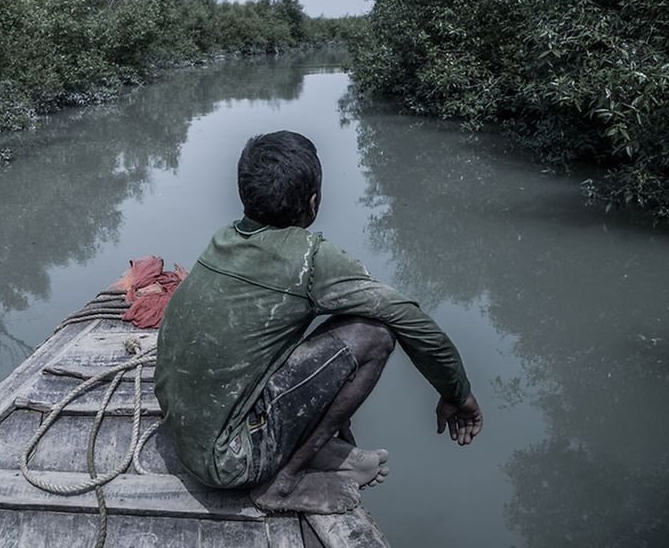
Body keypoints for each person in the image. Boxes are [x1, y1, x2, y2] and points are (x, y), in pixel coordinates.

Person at [154, 131, 483, 514]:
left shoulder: (223, 239)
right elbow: (411, 319)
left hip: (181, 431)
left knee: (332, 320)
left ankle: (318, 447)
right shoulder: (310, 258)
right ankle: (283, 484)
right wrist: (457, 394)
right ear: (313, 202)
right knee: (373, 334)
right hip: (228, 461)